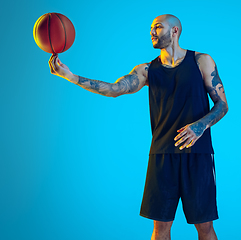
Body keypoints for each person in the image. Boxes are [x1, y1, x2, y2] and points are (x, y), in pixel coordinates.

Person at [49, 14, 228, 240]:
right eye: (151, 28)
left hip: (198, 155)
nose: (152, 32)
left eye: (157, 27)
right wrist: (71, 76)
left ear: (175, 31)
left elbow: (222, 105)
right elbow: (115, 89)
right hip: (162, 155)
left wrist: (200, 126)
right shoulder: (146, 70)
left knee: (205, 228)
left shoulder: (201, 61)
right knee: (160, 229)